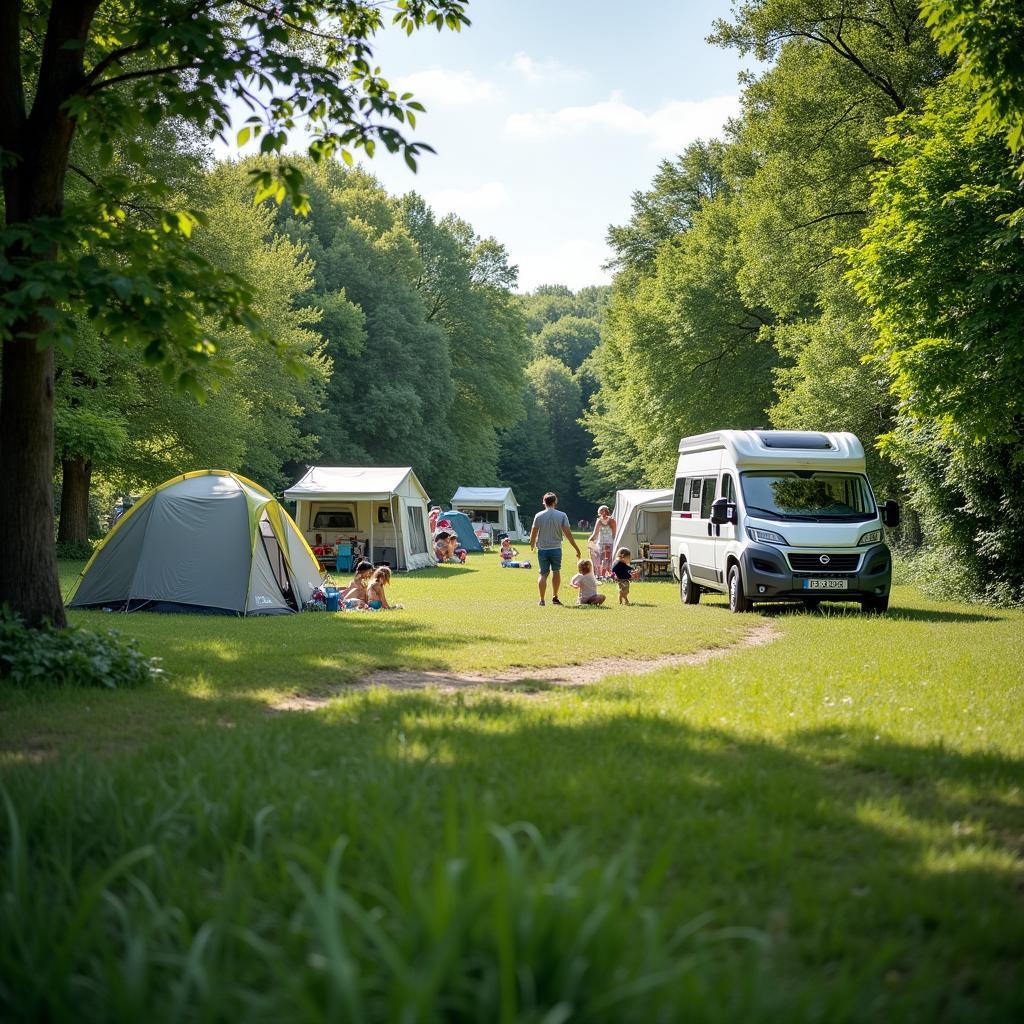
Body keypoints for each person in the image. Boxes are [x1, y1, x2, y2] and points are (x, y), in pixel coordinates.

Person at [529, 492, 581, 606]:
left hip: (542, 549)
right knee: (556, 571)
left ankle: (542, 600)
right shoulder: (562, 515)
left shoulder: (539, 515)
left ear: (544, 501)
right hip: (556, 548)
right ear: (555, 502)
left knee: (543, 574)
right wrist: (576, 548)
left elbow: (533, 533)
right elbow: (568, 534)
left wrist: (532, 544)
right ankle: (555, 597)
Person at [589, 505, 616, 579]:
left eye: (601, 511)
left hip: (605, 543)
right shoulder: (605, 520)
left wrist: (590, 540)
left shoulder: (608, 520)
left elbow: (614, 534)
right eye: (600, 511)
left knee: (603, 560)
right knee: (603, 559)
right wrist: (590, 540)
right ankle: (601, 575)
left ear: (605, 511)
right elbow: (596, 533)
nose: (600, 513)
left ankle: (601, 575)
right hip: (605, 543)